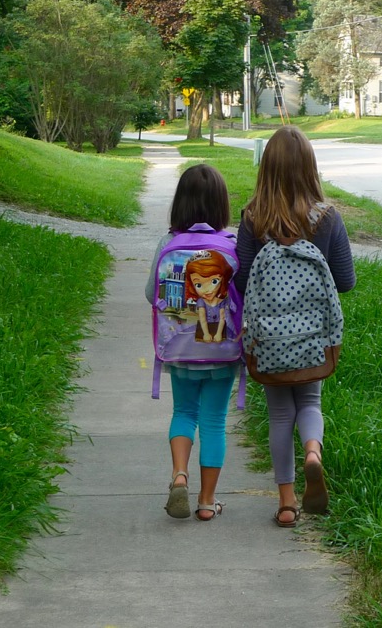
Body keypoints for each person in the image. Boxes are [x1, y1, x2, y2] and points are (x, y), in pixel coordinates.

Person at [234, 126, 356, 529]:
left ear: (265, 168)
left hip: (269, 337)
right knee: (310, 403)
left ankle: (287, 504)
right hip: (313, 337)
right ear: (310, 168)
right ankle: (313, 453)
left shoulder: (252, 217)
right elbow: (345, 281)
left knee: (278, 415)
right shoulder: (327, 217)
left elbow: (243, 279)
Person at [148, 164, 239, 521]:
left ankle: (179, 475)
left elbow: (148, 293)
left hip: (180, 350)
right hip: (222, 353)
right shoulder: (231, 246)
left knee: (183, 413)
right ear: (221, 205)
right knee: (214, 421)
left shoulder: (167, 243)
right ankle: (206, 501)